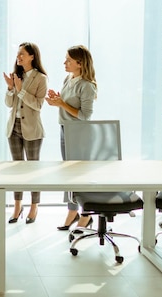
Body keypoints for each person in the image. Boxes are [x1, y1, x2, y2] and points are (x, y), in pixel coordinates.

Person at [45, 45, 96, 231]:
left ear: (79, 64)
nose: (64, 63)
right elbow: (66, 105)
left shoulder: (87, 86)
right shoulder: (69, 78)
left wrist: (62, 104)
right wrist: (56, 101)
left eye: (68, 60)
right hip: (65, 130)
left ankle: (85, 215)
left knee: (79, 175)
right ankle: (72, 211)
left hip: (79, 135)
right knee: (69, 174)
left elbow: (85, 116)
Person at [2, 42, 48, 224]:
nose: (19, 57)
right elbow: (8, 103)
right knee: (17, 169)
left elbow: (37, 105)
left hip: (32, 129)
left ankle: (34, 207)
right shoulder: (16, 76)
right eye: (18, 54)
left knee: (33, 170)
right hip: (14, 127)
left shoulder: (41, 78)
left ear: (32, 57)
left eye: (22, 54)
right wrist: (10, 88)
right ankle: (17, 206)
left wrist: (20, 91)